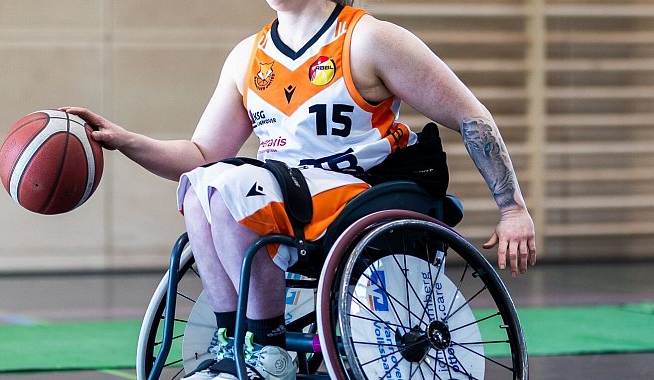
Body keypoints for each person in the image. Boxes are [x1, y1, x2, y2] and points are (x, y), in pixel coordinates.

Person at [64, 0, 537, 378]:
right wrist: (126, 140)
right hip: (285, 199)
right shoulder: (247, 57)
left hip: (363, 195)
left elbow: (471, 117)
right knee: (199, 185)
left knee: (232, 182)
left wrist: (512, 208)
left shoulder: (368, 39)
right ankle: (236, 342)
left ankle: (267, 347)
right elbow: (199, 154)